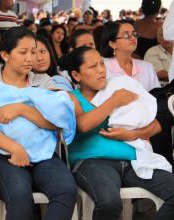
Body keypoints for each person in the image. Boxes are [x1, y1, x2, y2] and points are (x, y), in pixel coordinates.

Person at [0, 27, 77, 220]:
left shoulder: (43, 81)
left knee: (66, 190)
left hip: (44, 155)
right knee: (19, 195)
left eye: (34, 52)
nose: (31, 58)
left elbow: (57, 122)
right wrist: (15, 148)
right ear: (5, 54)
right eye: (23, 52)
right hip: (1, 156)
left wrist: (22, 109)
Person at [66, 46, 174, 220]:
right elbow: (83, 125)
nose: (101, 70)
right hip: (93, 162)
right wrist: (114, 101)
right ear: (76, 75)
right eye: (93, 67)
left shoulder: (118, 85)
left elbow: (153, 122)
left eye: (102, 63)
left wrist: (132, 134)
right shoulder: (71, 97)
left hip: (134, 161)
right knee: (109, 202)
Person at [100, 21, 160, 92]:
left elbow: (157, 96)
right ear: (113, 44)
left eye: (134, 34)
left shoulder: (147, 67)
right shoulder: (101, 68)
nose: (133, 38)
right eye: (126, 35)